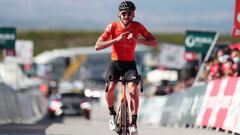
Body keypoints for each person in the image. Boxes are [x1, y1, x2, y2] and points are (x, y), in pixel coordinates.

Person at [95, 1, 157, 134]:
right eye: (123, 13)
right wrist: (115, 39)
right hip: (115, 63)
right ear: (119, 15)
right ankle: (112, 114)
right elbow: (97, 46)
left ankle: (133, 122)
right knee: (110, 88)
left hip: (129, 64)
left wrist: (137, 40)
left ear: (133, 15)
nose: (126, 16)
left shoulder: (138, 26)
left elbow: (154, 42)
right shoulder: (112, 26)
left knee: (133, 89)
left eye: (129, 13)